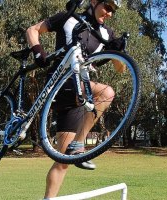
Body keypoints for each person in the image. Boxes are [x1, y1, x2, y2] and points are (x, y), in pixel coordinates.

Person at [25, 0, 124, 198]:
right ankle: (78, 144)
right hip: (60, 85)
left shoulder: (106, 34)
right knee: (105, 92)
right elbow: (33, 30)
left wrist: (116, 51)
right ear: (94, 2)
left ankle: (49, 196)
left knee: (63, 162)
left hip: (79, 96)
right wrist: (38, 52)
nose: (110, 13)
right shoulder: (69, 17)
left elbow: (120, 69)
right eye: (107, 7)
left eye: (113, 10)